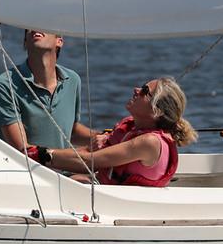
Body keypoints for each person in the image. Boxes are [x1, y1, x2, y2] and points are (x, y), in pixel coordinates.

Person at [29, 77, 198, 187]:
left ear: (157, 111)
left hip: (122, 206)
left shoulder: (150, 142)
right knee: (67, 180)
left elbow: (89, 161)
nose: (136, 89)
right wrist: (35, 152)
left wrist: (38, 155)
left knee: (63, 182)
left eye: (145, 91)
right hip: (109, 195)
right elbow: (86, 152)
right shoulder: (132, 128)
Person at [0, 29, 98, 150]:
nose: (35, 28)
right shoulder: (4, 84)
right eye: (28, 27)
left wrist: (103, 137)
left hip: (62, 167)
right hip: (24, 167)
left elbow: (70, 131)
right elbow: (23, 150)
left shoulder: (73, 80)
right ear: (25, 42)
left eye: (43, 25)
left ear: (59, 41)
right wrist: (80, 156)